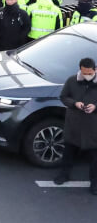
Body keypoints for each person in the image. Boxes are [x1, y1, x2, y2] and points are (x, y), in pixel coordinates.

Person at [53, 57, 97, 195]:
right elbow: (63, 97)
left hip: (93, 128)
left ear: (95, 70)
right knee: (68, 152)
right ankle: (64, 175)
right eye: (84, 73)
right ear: (80, 69)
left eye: (90, 73)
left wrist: (95, 107)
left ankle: (95, 184)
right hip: (74, 125)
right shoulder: (72, 80)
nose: (87, 76)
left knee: (95, 158)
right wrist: (75, 104)